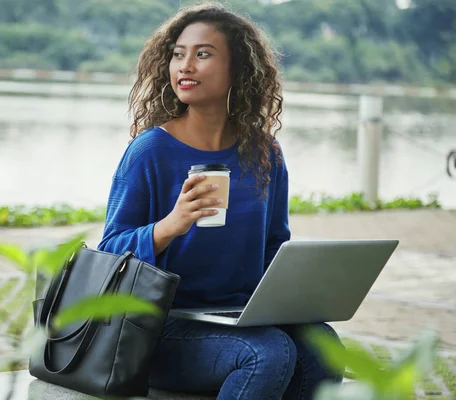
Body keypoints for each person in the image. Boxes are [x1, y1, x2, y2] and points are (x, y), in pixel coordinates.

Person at [97, 2, 345, 399]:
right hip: (161, 329)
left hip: (237, 317)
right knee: (266, 353)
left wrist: (296, 295)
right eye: (178, 54)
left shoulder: (265, 154)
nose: (185, 66)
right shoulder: (150, 152)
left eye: (203, 54)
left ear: (239, 71)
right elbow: (109, 254)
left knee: (322, 345)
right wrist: (169, 226)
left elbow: (273, 248)